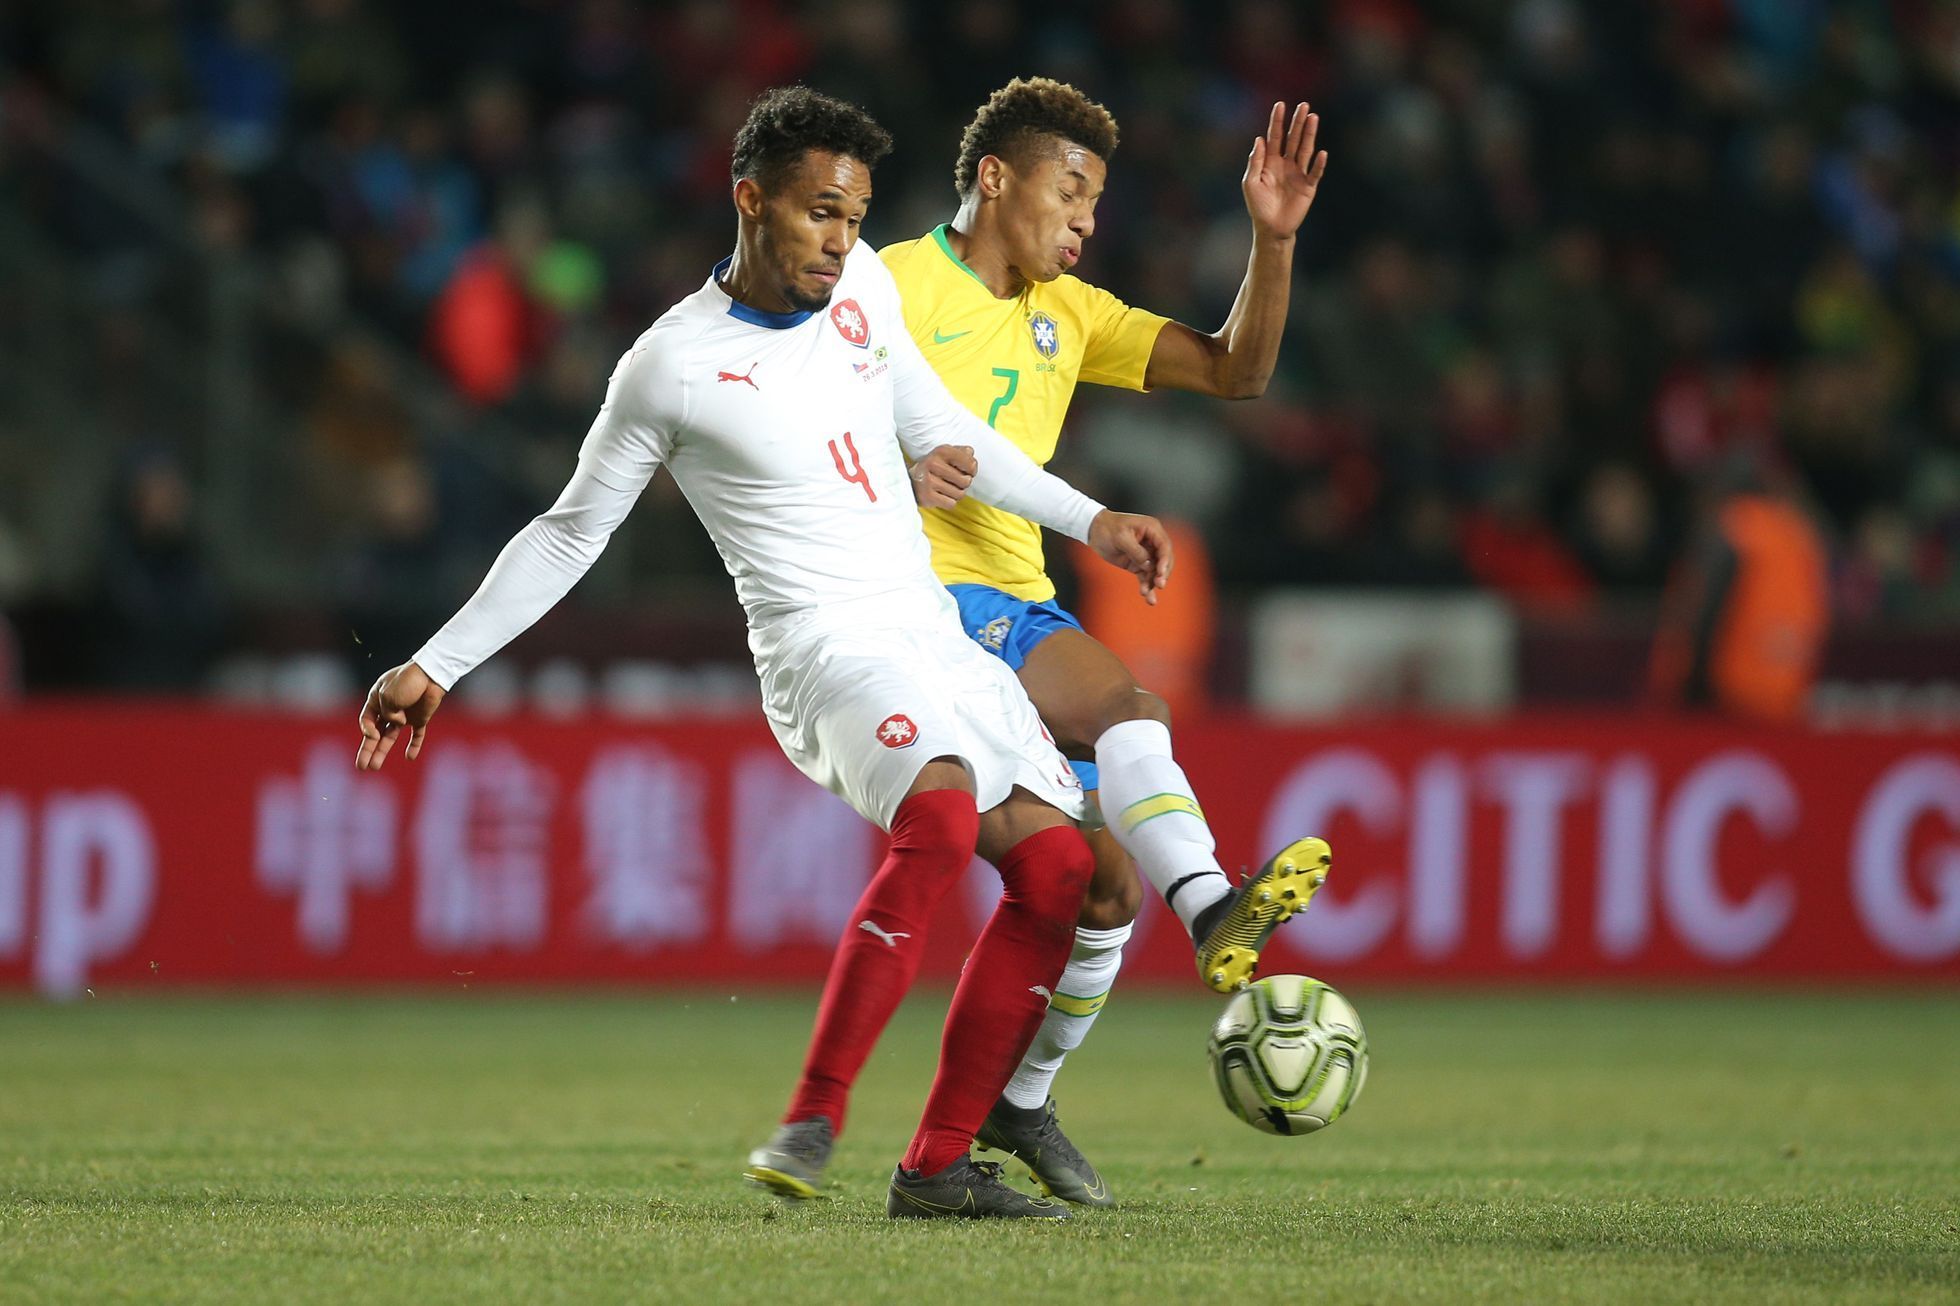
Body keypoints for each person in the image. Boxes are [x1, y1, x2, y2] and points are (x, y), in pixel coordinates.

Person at [353, 87, 1176, 1221]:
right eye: (819, 215)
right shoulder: (671, 367)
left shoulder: (867, 294)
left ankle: (936, 1168)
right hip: (820, 648)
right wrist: (434, 662)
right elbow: (571, 529)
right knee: (937, 818)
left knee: (1063, 870)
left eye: (856, 217)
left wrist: (1092, 521)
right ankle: (813, 1113)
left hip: (927, 631)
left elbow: (950, 434)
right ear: (751, 202)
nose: (842, 242)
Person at [884, 79, 1332, 1206]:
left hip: (1016, 604)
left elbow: (1240, 370)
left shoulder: (1068, 315)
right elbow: (787, 414)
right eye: (1068, 188)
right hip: (919, 600)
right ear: (995, 176)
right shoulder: (885, 285)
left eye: (1096, 200)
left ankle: (1016, 1104)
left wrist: (1269, 243)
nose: (1086, 219)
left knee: (1099, 891)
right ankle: (1214, 908)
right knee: (1132, 710)